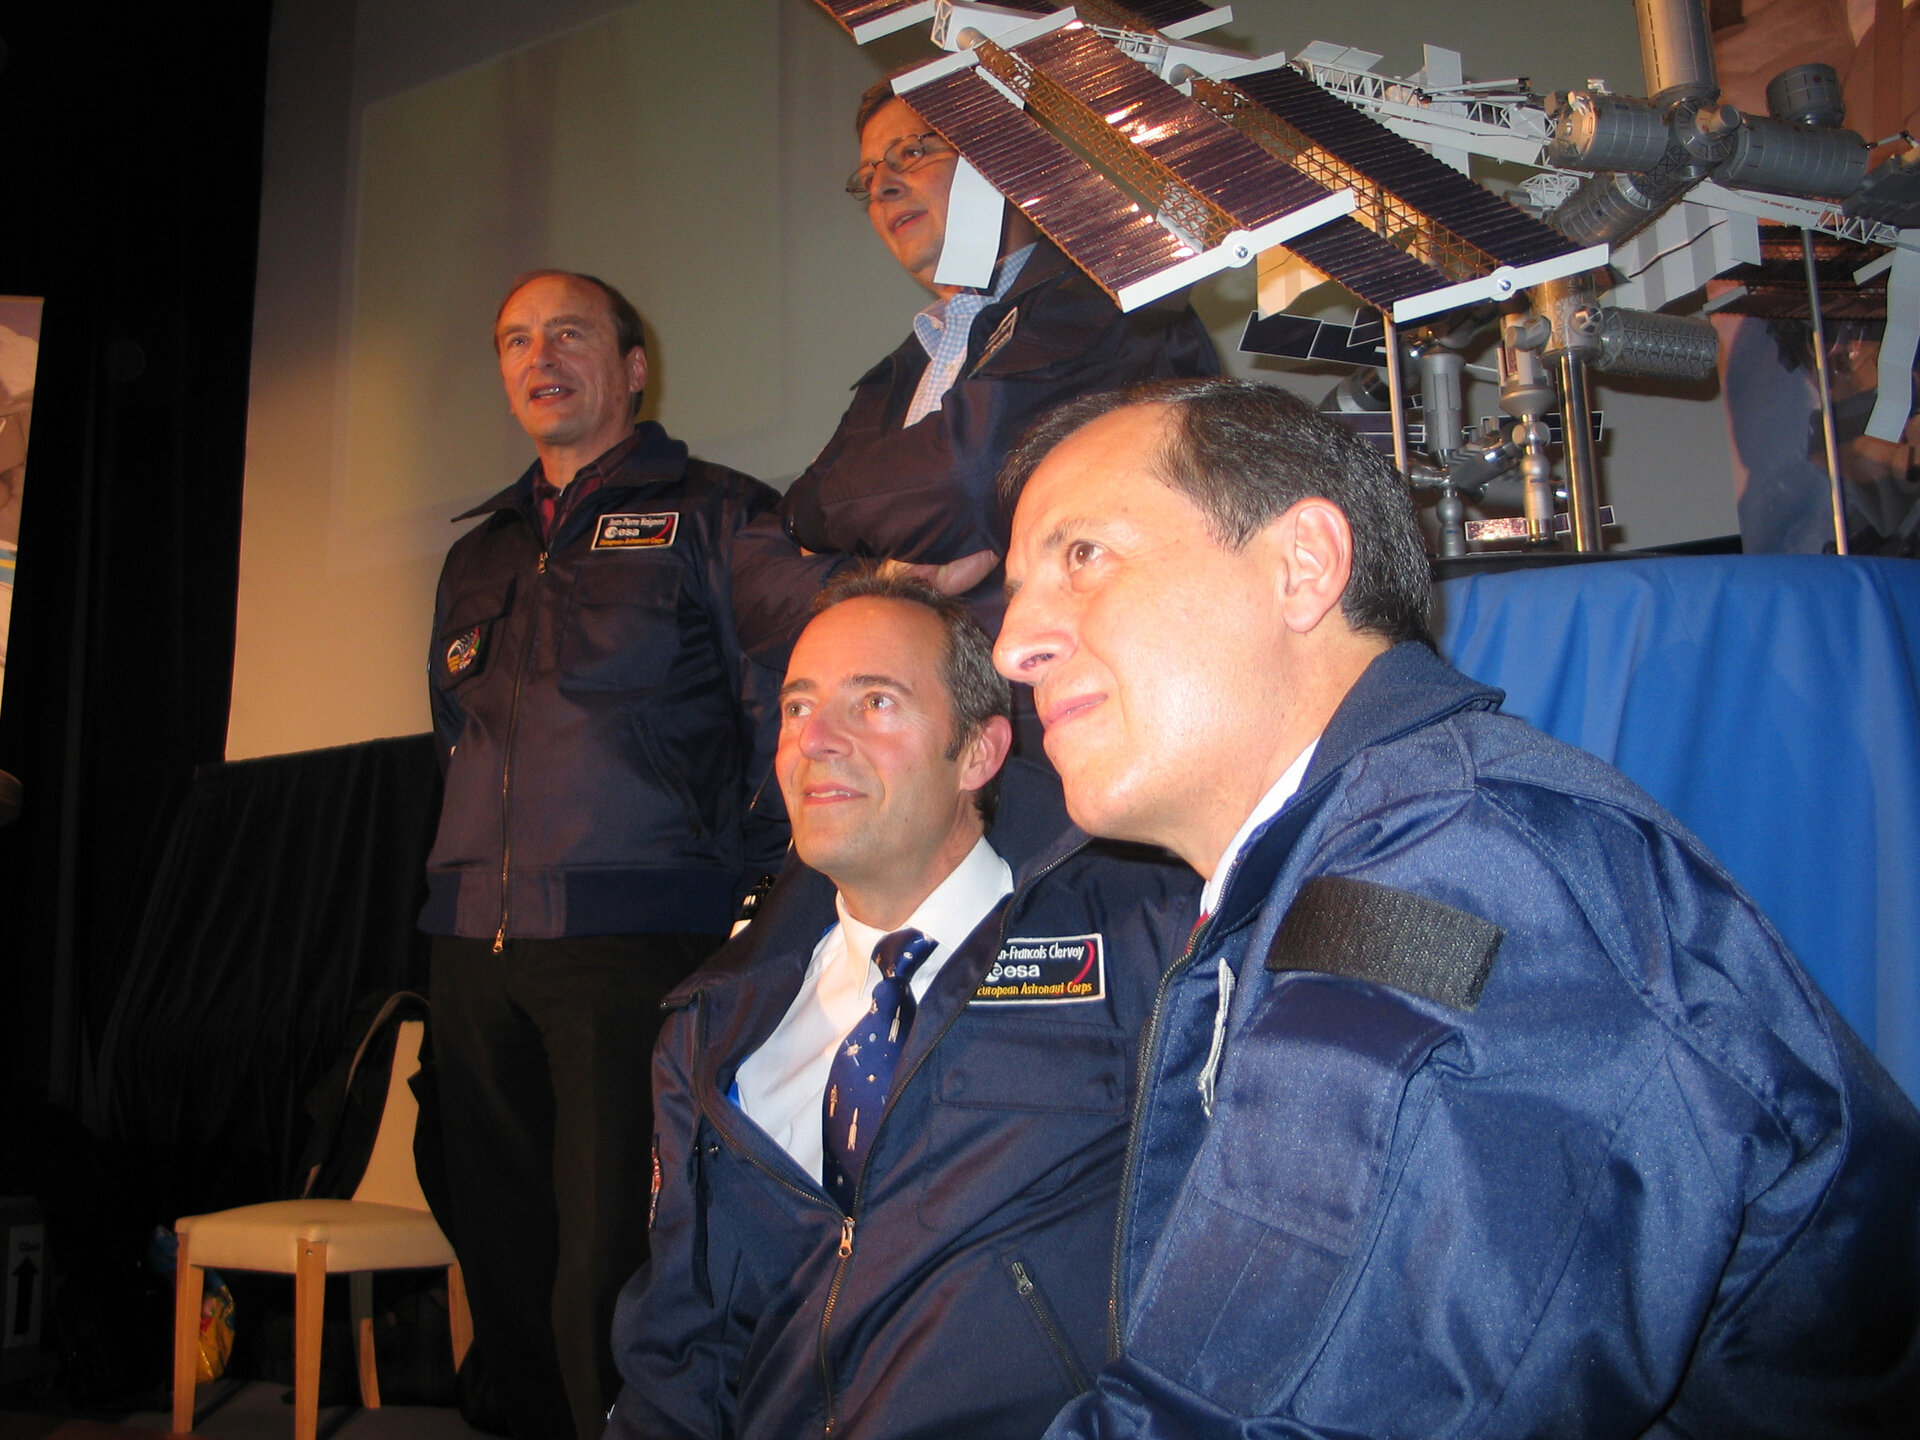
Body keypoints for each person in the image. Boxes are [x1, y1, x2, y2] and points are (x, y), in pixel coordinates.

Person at [992, 377, 1920, 1437]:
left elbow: (1274, 1412)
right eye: (1017, 592)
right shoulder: (1341, 864)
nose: (1015, 645)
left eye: (1082, 557)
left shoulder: (1439, 872)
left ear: (1302, 568)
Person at [604, 568, 1200, 1439]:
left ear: (980, 753)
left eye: (874, 702)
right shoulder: (712, 1029)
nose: (816, 741)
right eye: (799, 708)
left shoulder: (1144, 940)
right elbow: (676, 1354)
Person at [421, 270, 778, 1440]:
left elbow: (780, 711)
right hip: (474, 946)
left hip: (635, 941)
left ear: (633, 366)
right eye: (516, 337)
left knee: (612, 1257)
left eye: (571, 332)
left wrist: (765, 896)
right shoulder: (477, 554)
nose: (541, 355)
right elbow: (452, 734)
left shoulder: (719, 513)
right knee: (501, 1243)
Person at [730, 79, 1221, 668]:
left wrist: (810, 517)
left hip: (1053, 714)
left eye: (912, 153)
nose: (882, 187)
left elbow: (964, 477)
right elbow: (752, 585)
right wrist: (889, 581)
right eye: (868, 179)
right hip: (920, 735)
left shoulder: (1108, 303)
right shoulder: (899, 374)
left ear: (1002, 156)